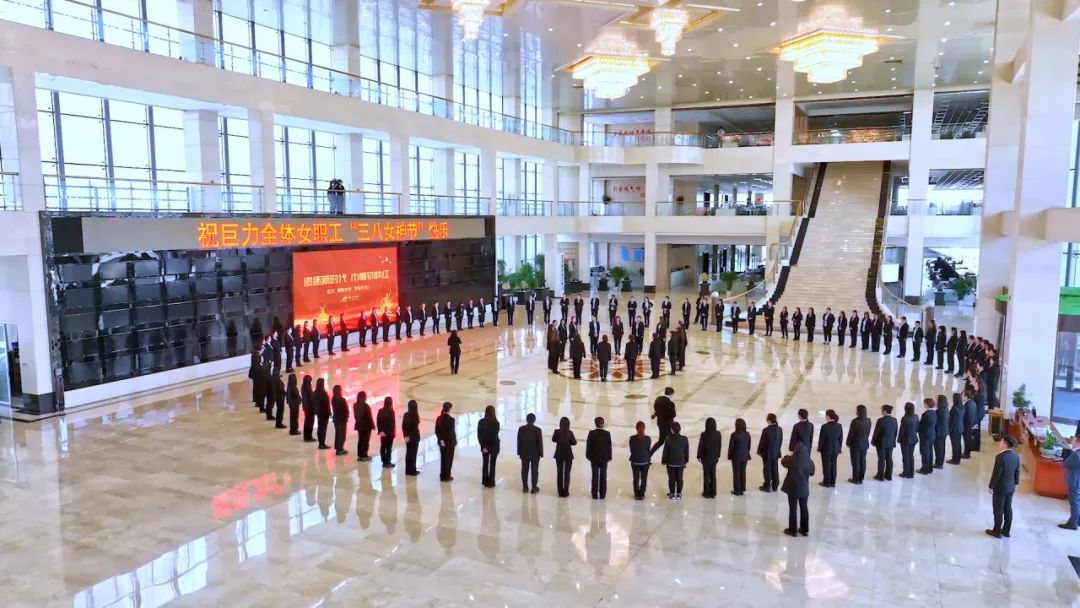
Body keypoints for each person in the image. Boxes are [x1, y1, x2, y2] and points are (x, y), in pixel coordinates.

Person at [986, 435, 1020, 538]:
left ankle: (996, 531)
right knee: (1008, 508)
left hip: (1001, 487)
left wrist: (991, 486)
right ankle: (1006, 530)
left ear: (1005, 444)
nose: (1000, 443)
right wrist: (1015, 483)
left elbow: (997, 474)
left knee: (998, 509)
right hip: (1011, 486)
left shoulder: (1000, 457)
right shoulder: (1016, 456)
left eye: (1001, 441)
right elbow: (1017, 472)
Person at [781, 442, 816, 537]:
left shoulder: (792, 460)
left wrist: (789, 456)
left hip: (792, 488)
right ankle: (804, 529)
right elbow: (812, 472)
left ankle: (793, 530)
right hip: (804, 488)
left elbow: (783, 461)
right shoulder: (809, 462)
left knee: (793, 508)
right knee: (804, 508)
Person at [586, 417, 613, 499]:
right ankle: (602, 494)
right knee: (603, 476)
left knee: (594, 476)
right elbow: (609, 446)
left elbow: (588, 446)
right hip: (604, 458)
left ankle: (594, 494)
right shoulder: (607, 433)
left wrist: (588, 456)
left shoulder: (591, 433)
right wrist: (609, 457)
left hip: (594, 458)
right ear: (603, 423)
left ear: (595, 423)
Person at [661, 421, 689, 500]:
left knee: (671, 479)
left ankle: (672, 493)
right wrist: (685, 460)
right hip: (680, 462)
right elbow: (686, 451)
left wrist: (663, 460)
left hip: (670, 462)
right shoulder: (685, 439)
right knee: (680, 478)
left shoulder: (668, 439)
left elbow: (665, 451)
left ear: (672, 430)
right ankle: (679, 494)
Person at [517, 413, 543, 493]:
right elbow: (539, 443)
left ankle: (525, 487)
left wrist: (519, 452)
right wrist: (541, 453)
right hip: (535, 454)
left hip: (524, 453)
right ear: (534, 420)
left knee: (524, 470)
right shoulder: (537, 430)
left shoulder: (521, 429)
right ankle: (534, 487)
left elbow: (519, 441)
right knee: (534, 471)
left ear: (526, 420)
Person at [697, 417, 722, 498]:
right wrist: (718, 455)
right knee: (713, 475)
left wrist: (699, 456)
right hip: (714, 457)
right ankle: (713, 492)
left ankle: (706, 493)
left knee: (706, 476)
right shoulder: (718, 434)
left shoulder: (704, 434)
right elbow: (719, 445)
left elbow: (701, 446)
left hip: (705, 458)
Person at [552, 417, 577, 497]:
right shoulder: (570, 433)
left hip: (559, 454)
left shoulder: (557, 432)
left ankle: (560, 491)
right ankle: (566, 491)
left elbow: (553, 439)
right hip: (568, 455)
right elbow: (574, 442)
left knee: (559, 473)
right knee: (567, 473)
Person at [846, 405, 871, 484]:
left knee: (855, 462)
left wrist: (848, 442)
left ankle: (856, 479)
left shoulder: (855, 421)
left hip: (855, 444)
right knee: (863, 461)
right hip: (865, 443)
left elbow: (851, 434)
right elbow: (868, 432)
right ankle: (861, 478)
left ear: (858, 412)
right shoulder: (868, 420)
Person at [871, 404, 898, 481]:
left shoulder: (881, 420)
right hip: (891, 442)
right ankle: (888, 475)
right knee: (889, 458)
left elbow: (876, 432)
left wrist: (873, 441)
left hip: (881, 443)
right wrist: (893, 440)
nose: (881, 411)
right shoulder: (894, 420)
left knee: (881, 459)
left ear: (885, 411)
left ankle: (880, 475)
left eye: (882, 410)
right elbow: (895, 432)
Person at [1059, 433, 1080, 530]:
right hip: (1077, 480)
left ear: (1078, 442)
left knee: (1074, 502)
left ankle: (1072, 524)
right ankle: (1077, 520)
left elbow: (1066, 464)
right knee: (1077, 501)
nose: (1072, 442)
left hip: (1074, 481)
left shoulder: (1076, 454)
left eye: (1074, 440)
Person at [758, 413, 783, 492]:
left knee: (767, 469)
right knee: (775, 468)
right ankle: (775, 485)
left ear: (769, 421)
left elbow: (762, 442)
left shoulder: (766, 430)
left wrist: (759, 451)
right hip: (776, 453)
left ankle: (767, 485)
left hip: (767, 453)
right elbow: (780, 441)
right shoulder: (780, 429)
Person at [817, 409, 843, 487]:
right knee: (834, 465)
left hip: (826, 449)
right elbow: (840, 438)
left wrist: (819, 448)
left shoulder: (825, 427)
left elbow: (822, 439)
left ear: (828, 416)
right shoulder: (839, 426)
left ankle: (827, 482)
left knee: (826, 466)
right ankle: (833, 482)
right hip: (835, 449)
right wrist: (839, 448)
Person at [477, 405, 501, 488]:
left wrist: (483, 446)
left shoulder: (481, 422)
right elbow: (494, 436)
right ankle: (491, 482)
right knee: (492, 464)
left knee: (485, 463)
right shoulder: (496, 423)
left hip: (485, 447)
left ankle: (485, 481)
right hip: (494, 446)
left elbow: (479, 435)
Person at [629, 421, 652, 500]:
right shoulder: (648, 439)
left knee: (636, 478)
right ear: (644, 428)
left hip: (635, 461)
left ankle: (636, 494)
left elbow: (631, 450)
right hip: (645, 461)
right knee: (644, 478)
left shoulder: (632, 438)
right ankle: (642, 494)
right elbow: (648, 450)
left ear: (636, 428)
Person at [728, 418, 751, 496]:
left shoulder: (734, 435)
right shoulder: (747, 434)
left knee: (736, 473)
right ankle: (742, 488)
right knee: (743, 472)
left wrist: (729, 456)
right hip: (745, 456)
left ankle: (737, 490)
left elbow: (731, 447)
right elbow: (749, 445)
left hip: (736, 456)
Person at [650, 387, 677, 455]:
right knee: (673, 441)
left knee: (661, 441)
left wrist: (655, 414)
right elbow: (673, 415)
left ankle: (649, 454)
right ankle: (672, 457)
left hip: (660, 424)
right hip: (668, 426)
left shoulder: (658, 399)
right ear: (671, 394)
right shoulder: (670, 404)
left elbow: (657, 409)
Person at [435, 402, 457, 481]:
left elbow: (437, 431)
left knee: (443, 458)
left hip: (441, 443)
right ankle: (447, 476)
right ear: (449, 409)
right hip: (449, 443)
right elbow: (451, 433)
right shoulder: (451, 420)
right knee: (448, 460)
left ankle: (442, 475)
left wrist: (441, 440)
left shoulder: (439, 418)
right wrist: (452, 442)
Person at [898, 402, 919, 478]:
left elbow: (902, 431)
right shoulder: (916, 417)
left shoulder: (905, 418)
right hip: (913, 439)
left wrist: (899, 439)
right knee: (911, 456)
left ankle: (906, 472)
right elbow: (917, 428)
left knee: (905, 457)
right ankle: (911, 473)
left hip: (905, 440)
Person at [917, 398, 937, 475]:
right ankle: (929, 468)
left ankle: (924, 469)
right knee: (930, 452)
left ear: (927, 404)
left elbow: (922, 426)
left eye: (924, 403)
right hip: (932, 435)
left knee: (924, 453)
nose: (923, 404)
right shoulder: (934, 413)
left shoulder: (925, 414)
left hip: (925, 436)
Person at [353, 391, 374, 462]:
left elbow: (356, 416)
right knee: (366, 441)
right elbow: (369, 417)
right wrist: (373, 425)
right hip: (366, 426)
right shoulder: (366, 406)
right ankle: (364, 455)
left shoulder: (355, 405)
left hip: (359, 426)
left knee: (360, 440)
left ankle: (360, 455)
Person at [402, 400, 421, 476]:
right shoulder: (415, 416)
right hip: (414, 437)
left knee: (408, 453)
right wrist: (410, 436)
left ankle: (407, 470)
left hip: (407, 438)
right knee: (413, 454)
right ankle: (413, 471)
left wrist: (406, 436)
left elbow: (403, 426)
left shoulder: (406, 415)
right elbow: (414, 429)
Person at [376, 396, 396, 468]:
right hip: (389, 434)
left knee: (383, 446)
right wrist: (386, 432)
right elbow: (391, 424)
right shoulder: (391, 412)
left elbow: (378, 421)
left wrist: (380, 431)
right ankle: (387, 462)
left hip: (382, 433)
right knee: (388, 448)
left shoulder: (380, 411)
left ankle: (384, 461)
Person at [331, 385, 350, 456]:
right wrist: (346, 417)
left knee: (337, 434)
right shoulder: (342, 400)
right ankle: (339, 449)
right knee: (342, 435)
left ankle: (338, 448)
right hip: (341, 420)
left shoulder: (333, 398)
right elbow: (346, 410)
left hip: (336, 419)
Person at [947, 393, 965, 464]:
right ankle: (958, 458)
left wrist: (949, 429)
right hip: (960, 427)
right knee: (958, 444)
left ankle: (955, 459)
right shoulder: (962, 407)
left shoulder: (954, 408)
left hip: (954, 429)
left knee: (955, 445)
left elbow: (952, 420)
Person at [314, 378, 331, 449]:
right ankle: (322, 444)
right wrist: (329, 412)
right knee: (323, 428)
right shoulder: (323, 393)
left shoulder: (315, 392)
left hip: (319, 413)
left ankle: (321, 443)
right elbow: (327, 404)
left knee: (320, 427)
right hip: (324, 414)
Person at [934, 395, 950, 469]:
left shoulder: (939, 411)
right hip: (944, 431)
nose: (935, 401)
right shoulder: (946, 409)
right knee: (942, 447)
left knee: (938, 448)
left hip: (939, 432)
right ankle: (940, 463)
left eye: (936, 400)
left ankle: (938, 464)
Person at [301, 375, 315, 442]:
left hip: (306, 407)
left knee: (307, 422)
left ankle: (306, 436)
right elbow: (311, 398)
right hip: (309, 408)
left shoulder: (304, 387)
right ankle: (309, 437)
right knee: (309, 422)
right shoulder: (308, 388)